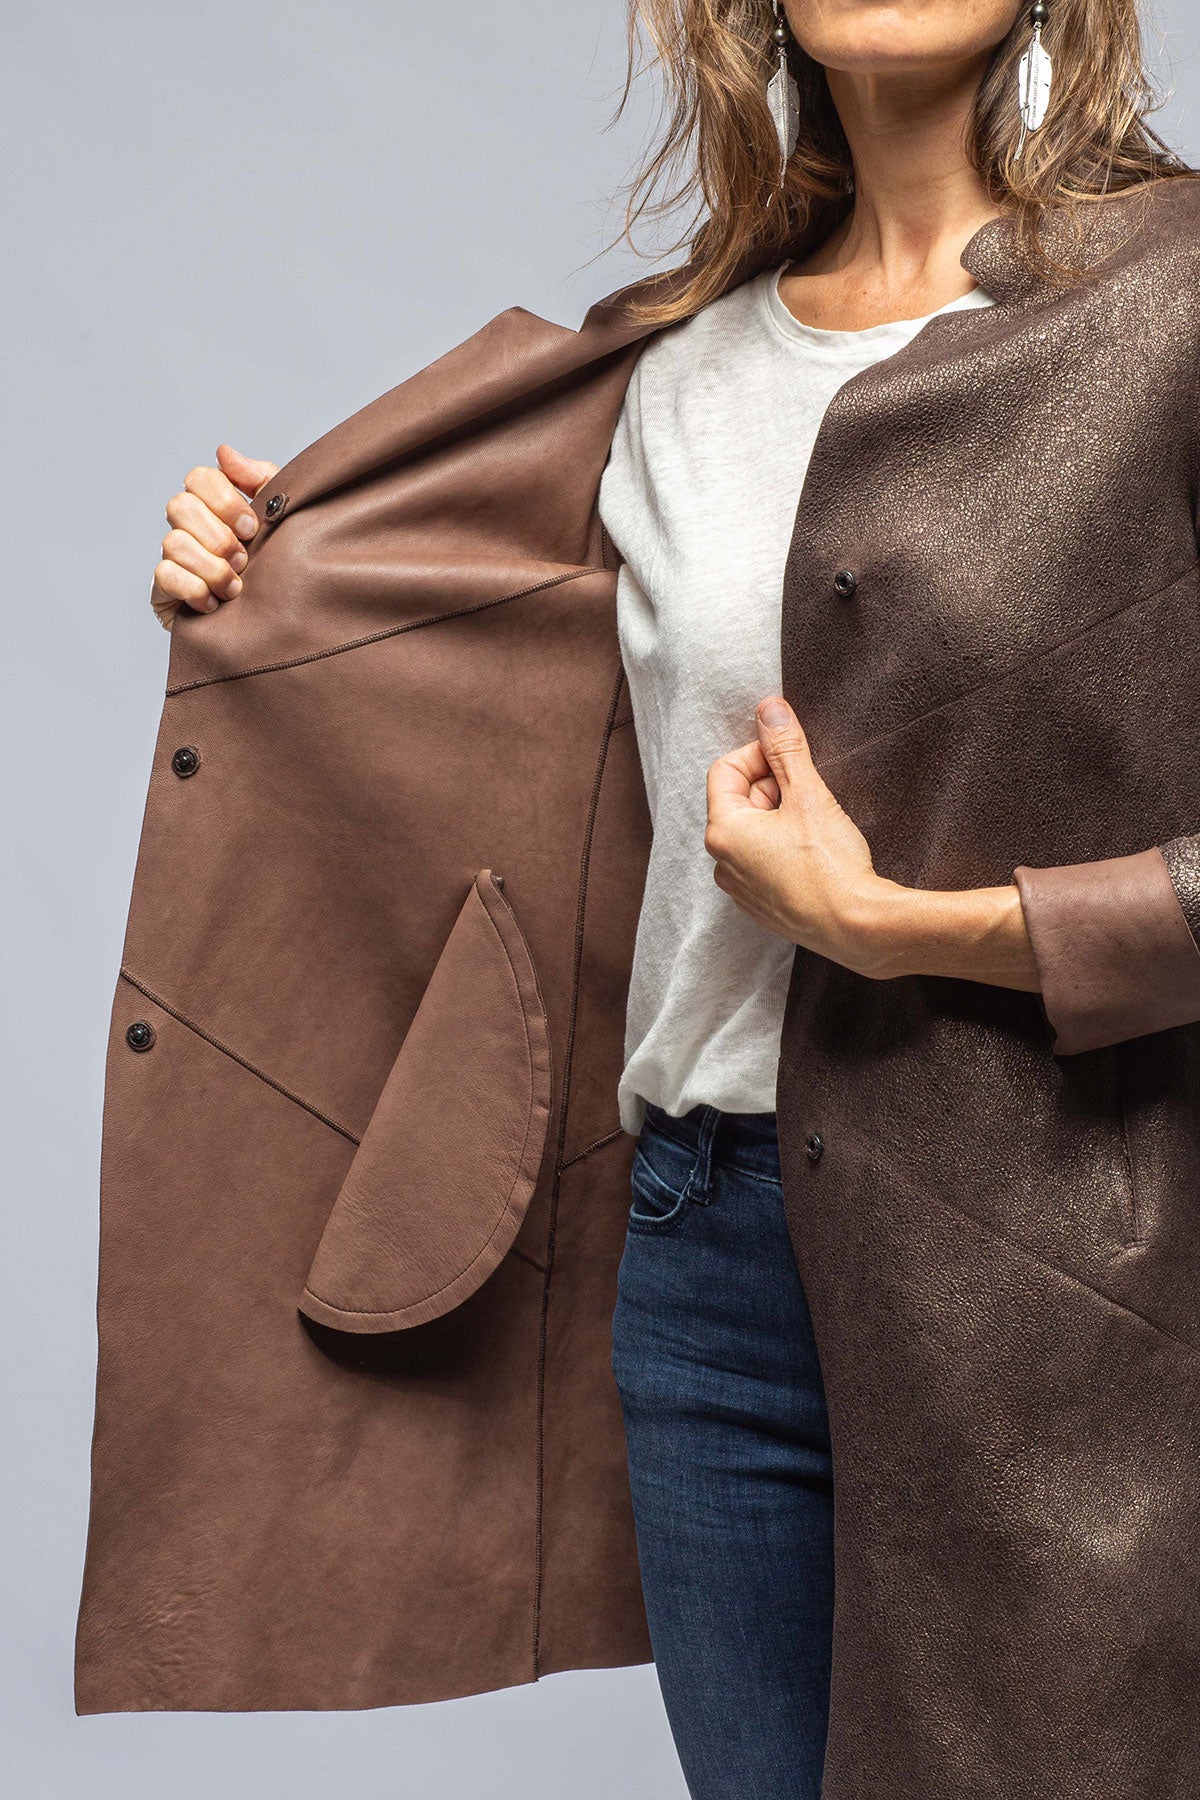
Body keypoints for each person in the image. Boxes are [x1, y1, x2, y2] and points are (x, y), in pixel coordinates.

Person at [102, 2, 1200, 1795]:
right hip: (704, 1261)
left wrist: (904, 928)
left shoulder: (1175, 305)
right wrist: (262, 584)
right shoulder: (664, 369)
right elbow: (477, 710)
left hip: (1054, 1272)